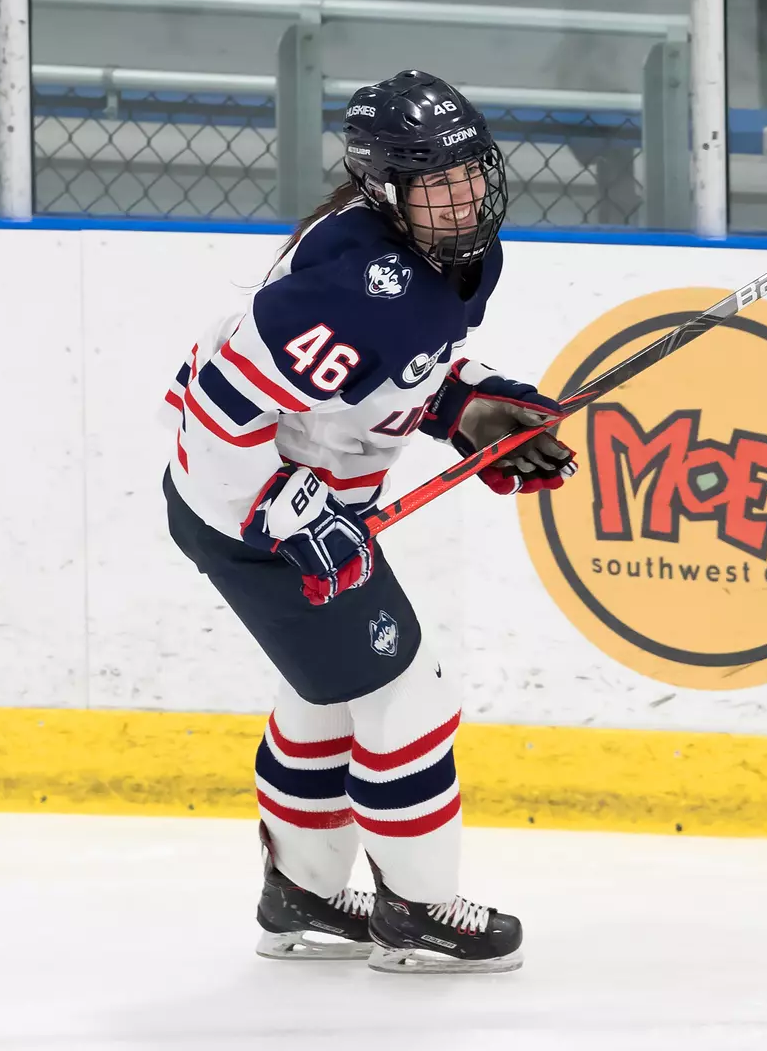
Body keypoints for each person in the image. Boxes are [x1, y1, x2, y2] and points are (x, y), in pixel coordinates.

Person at [160, 70, 576, 975]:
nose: (465, 196)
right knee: (407, 685)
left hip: (297, 510)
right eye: (438, 182)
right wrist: (276, 507)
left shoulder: (457, 260)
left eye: (472, 172)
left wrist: (465, 411)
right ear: (386, 190)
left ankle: (302, 893)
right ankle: (421, 908)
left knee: (332, 691)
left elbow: (388, 381)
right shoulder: (362, 284)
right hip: (246, 515)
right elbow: (223, 401)